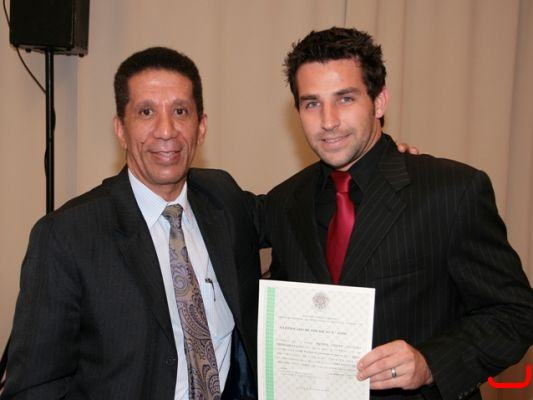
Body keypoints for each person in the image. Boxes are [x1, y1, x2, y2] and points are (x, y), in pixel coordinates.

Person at [262, 27, 533, 399]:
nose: (328, 120)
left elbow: (515, 313)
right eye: (312, 104)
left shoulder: (450, 191)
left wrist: (430, 363)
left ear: (379, 102)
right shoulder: (283, 202)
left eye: (345, 99)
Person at [0, 47, 260, 400]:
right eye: (146, 112)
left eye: (180, 111)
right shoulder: (66, 237)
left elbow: (292, 213)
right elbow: (34, 389)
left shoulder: (223, 199)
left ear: (201, 127)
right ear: (120, 129)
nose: (166, 130)